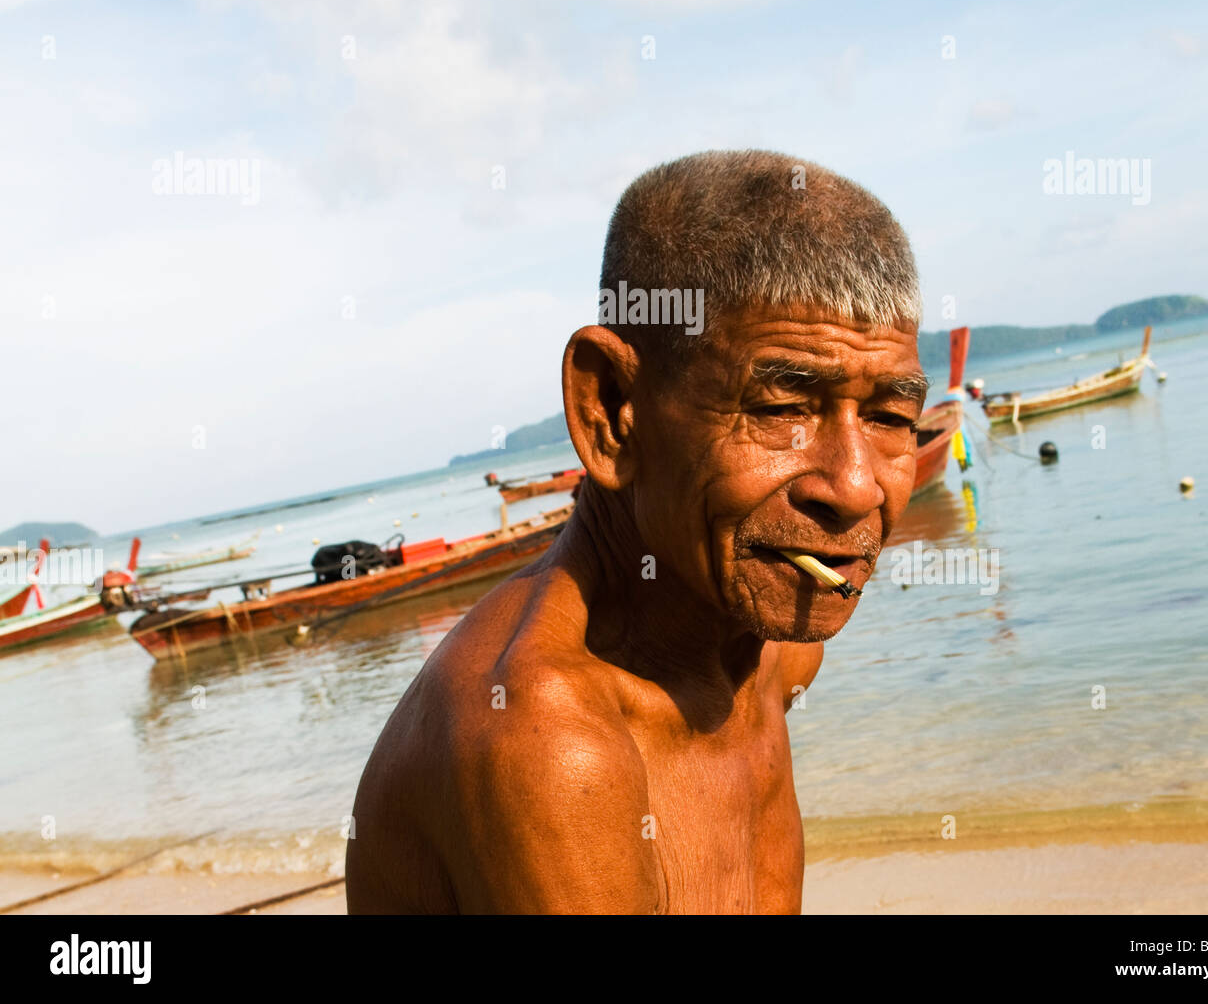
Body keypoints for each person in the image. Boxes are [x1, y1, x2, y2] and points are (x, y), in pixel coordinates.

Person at [346, 150, 928, 914]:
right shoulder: (548, 741)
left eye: (890, 416)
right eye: (781, 408)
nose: (855, 487)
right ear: (613, 410)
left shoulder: (779, 649)